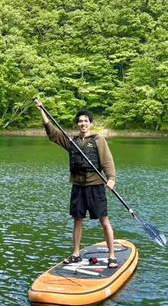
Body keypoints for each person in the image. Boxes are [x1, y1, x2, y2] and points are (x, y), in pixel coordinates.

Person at [34, 99, 119, 268]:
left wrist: (111, 179)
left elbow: (107, 161)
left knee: (104, 221)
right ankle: (76, 254)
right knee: (78, 221)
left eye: (86, 121)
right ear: (77, 124)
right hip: (78, 187)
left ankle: (111, 256)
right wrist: (42, 110)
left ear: (91, 123)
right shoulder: (71, 142)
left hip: (96, 186)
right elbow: (52, 133)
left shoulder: (98, 140)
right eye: (80, 121)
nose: (83, 124)